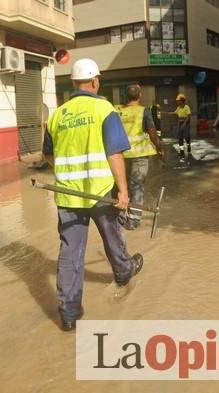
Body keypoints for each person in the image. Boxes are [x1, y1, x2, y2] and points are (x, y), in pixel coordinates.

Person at [43, 58, 143, 332]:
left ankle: (69, 313)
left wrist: (69, 172)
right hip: (100, 192)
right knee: (113, 236)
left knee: (70, 252)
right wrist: (123, 191)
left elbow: (48, 155)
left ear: (73, 83)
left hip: (68, 196)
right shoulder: (103, 109)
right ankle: (124, 273)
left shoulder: (57, 115)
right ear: (95, 80)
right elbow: (114, 153)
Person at [115, 84, 165, 230]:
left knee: (120, 186)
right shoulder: (144, 111)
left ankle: (118, 218)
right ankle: (133, 222)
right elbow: (152, 132)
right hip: (139, 155)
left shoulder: (116, 110)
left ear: (125, 96)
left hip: (119, 155)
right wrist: (160, 148)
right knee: (137, 187)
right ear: (140, 96)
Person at [167, 94, 192, 160]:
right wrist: (168, 113)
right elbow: (175, 113)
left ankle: (188, 145)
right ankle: (181, 151)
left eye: (178, 101)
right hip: (180, 123)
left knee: (186, 136)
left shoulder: (186, 107)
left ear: (182, 101)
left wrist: (184, 123)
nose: (177, 102)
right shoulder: (178, 107)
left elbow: (189, 117)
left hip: (186, 123)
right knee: (180, 138)